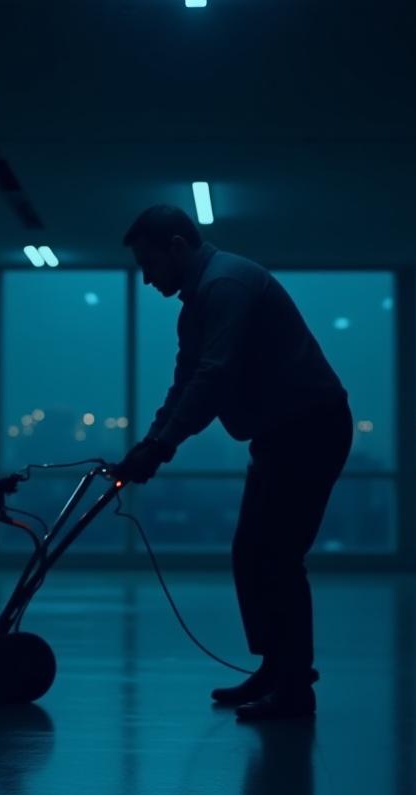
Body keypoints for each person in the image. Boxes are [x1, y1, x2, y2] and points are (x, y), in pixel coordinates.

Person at [114, 205, 352, 721]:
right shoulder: (197, 305)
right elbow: (186, 381)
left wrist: (160, 447)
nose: (147, 278)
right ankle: (276, 668)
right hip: (280, 434)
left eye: (148, 263)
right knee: (252, 551)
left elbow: (213, 378)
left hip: (309, 429)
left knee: (278, 557)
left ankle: (293, 687)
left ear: (177, 246)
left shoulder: (226, 287)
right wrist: (153, 441)